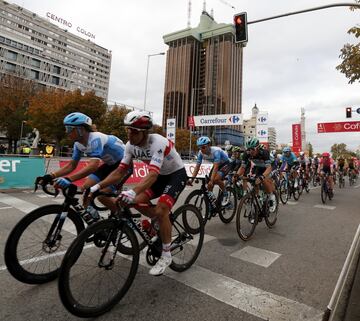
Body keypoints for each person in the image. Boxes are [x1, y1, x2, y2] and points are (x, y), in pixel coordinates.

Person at [90, 111, 188, 276]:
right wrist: (96, 186)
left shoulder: (158, 142)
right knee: (136, 201)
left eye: (134, 131)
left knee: (162, 209)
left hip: (175, 175)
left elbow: (152, 175)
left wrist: (133, 191)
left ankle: (166, 254)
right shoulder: (129, 146)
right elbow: (119, 172)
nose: (129, 134)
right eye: (128, 130)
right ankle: (157, 222)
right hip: (159, 177)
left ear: (144, 132)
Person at [38, 112, 126, 220]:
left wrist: (69, 179)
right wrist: (51, 176)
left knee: (101, 195)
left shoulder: (95, 138)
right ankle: (95, 223)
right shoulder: (78, 144)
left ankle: (123, 219)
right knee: (85, 189)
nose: (67, 132)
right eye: (66, 129)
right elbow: (71, 165)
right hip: (109, 165)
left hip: (124, 165)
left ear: (81, 129)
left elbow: (93, 166)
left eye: (70, 129)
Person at [234, 137, 276, 221]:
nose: (250, 151)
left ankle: (271, 197)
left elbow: (268, 169)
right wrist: (237, 175)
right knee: (252, 180)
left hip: (269, 166)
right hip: (258, 166)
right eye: (248, 149)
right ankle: (258, 202)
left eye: (252, 149)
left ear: (257, 147)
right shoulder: (246, 154)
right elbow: (242, 167)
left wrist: (262, 177)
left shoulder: (264, 153)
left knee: (263, 179)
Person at [188, 136, 232, 206]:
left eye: (203, 147)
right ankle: (211, 205)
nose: (201, 149)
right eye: (199, 147)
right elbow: (197, 167)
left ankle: (225, 194)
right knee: (209, 186)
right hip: (217, 165)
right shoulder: (200, 153)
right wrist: (192, 179)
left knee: (215, 179)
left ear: (209, 145)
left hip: (226, 164)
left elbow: (216, 167)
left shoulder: (216, 151)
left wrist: (211, 181)